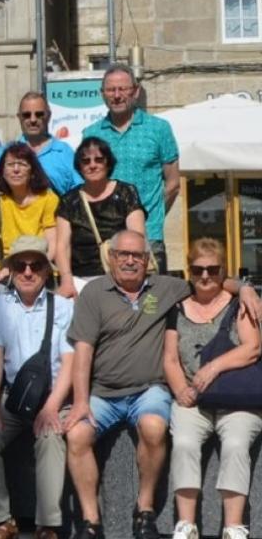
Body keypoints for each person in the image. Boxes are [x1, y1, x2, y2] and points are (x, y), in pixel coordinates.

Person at [64, 229, 259, 539]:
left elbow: (217, 281)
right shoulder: (95, 293)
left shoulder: (166, 288)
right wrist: (81, 400)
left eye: (137, 255)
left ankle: (144, 511)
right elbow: (82, 351)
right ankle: (91, 521)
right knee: (76, 435)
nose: (130, 261)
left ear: (147, 260)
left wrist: (245, 288)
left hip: (149, 390)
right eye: (123, 255)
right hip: (102, 392)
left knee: (155, 427)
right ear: (111, 258)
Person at [0, 236, 74, 539]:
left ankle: (48, 526)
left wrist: (53, 406)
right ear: (11, 270)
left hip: (55, 396)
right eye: (20, 266)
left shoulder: (64, 307)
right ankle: (3, 520)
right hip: (14, 398)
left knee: (50, 435)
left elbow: (70, 363)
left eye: (36, 265)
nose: (28, 272)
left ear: (47, 271)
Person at [163, 239, 262, 539]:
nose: (205, 276)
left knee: (235, 446)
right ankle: (186, 524)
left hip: (238, 399)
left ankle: (233, 527)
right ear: (189, 272)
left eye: (213, 269)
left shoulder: (239, 305)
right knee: (183, 443)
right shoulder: (176, 308)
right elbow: (169, 358)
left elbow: (253, 348)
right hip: (193, 400)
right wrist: (181, 388)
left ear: (223, 272)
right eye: (198, 269)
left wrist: (212, 367)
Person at [82, 64, 180, 272]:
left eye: (123, 89)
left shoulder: (159, 129)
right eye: (110, 90)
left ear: (135, 91)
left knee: (152, 303)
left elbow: (172, 184)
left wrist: (151, 216)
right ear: (102, 94)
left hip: (149, 238)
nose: (117, 95)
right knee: (111, 303)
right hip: (109, 240)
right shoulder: (91, 134)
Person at [55, 137, 146, 295]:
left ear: (108, 163)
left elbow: (138, 238)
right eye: (86, 161)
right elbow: (62, 246)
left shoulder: (126, 193)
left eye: (99, 160)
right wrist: (66, 281)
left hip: (121, 278)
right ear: (79, 166)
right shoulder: (69, 200)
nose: (92, 165)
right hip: (80, 280)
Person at [0, 143, 59, 283]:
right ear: (2, 171)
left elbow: (52, 244)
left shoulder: (48, 199)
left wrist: (19, 268)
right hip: (4, 274)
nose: (16, 169)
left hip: (39, 269)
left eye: (22, 164)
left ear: (32, 171)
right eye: (10, 164)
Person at [0, 92, 81, 196]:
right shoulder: (5, 154)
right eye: (26, 115)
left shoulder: (65, 152)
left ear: (49, 115)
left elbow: (80, 191)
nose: (33, 120)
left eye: (39, 114)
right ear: (19, 117)